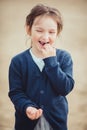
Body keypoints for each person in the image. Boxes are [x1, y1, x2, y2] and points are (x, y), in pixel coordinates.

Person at [8, 4, 75, 130]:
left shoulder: (64, 57)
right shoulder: (18, 61)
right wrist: (27, 106)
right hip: (26, 123)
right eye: (39, 30)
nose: (45, 37)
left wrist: (51, 61)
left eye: (51, 32)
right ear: (28, 29)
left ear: (57, 33)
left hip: (56, 122)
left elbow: (65, 88)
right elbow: (16, 92)